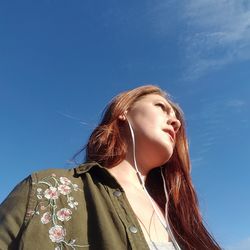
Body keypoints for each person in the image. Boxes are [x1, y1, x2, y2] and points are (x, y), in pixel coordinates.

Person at [0, 85, 221, 250]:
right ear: (124, 112)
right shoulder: (46, 189)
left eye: (177, 118)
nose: (176, 122)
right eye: (161, 107)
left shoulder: (179, 219)